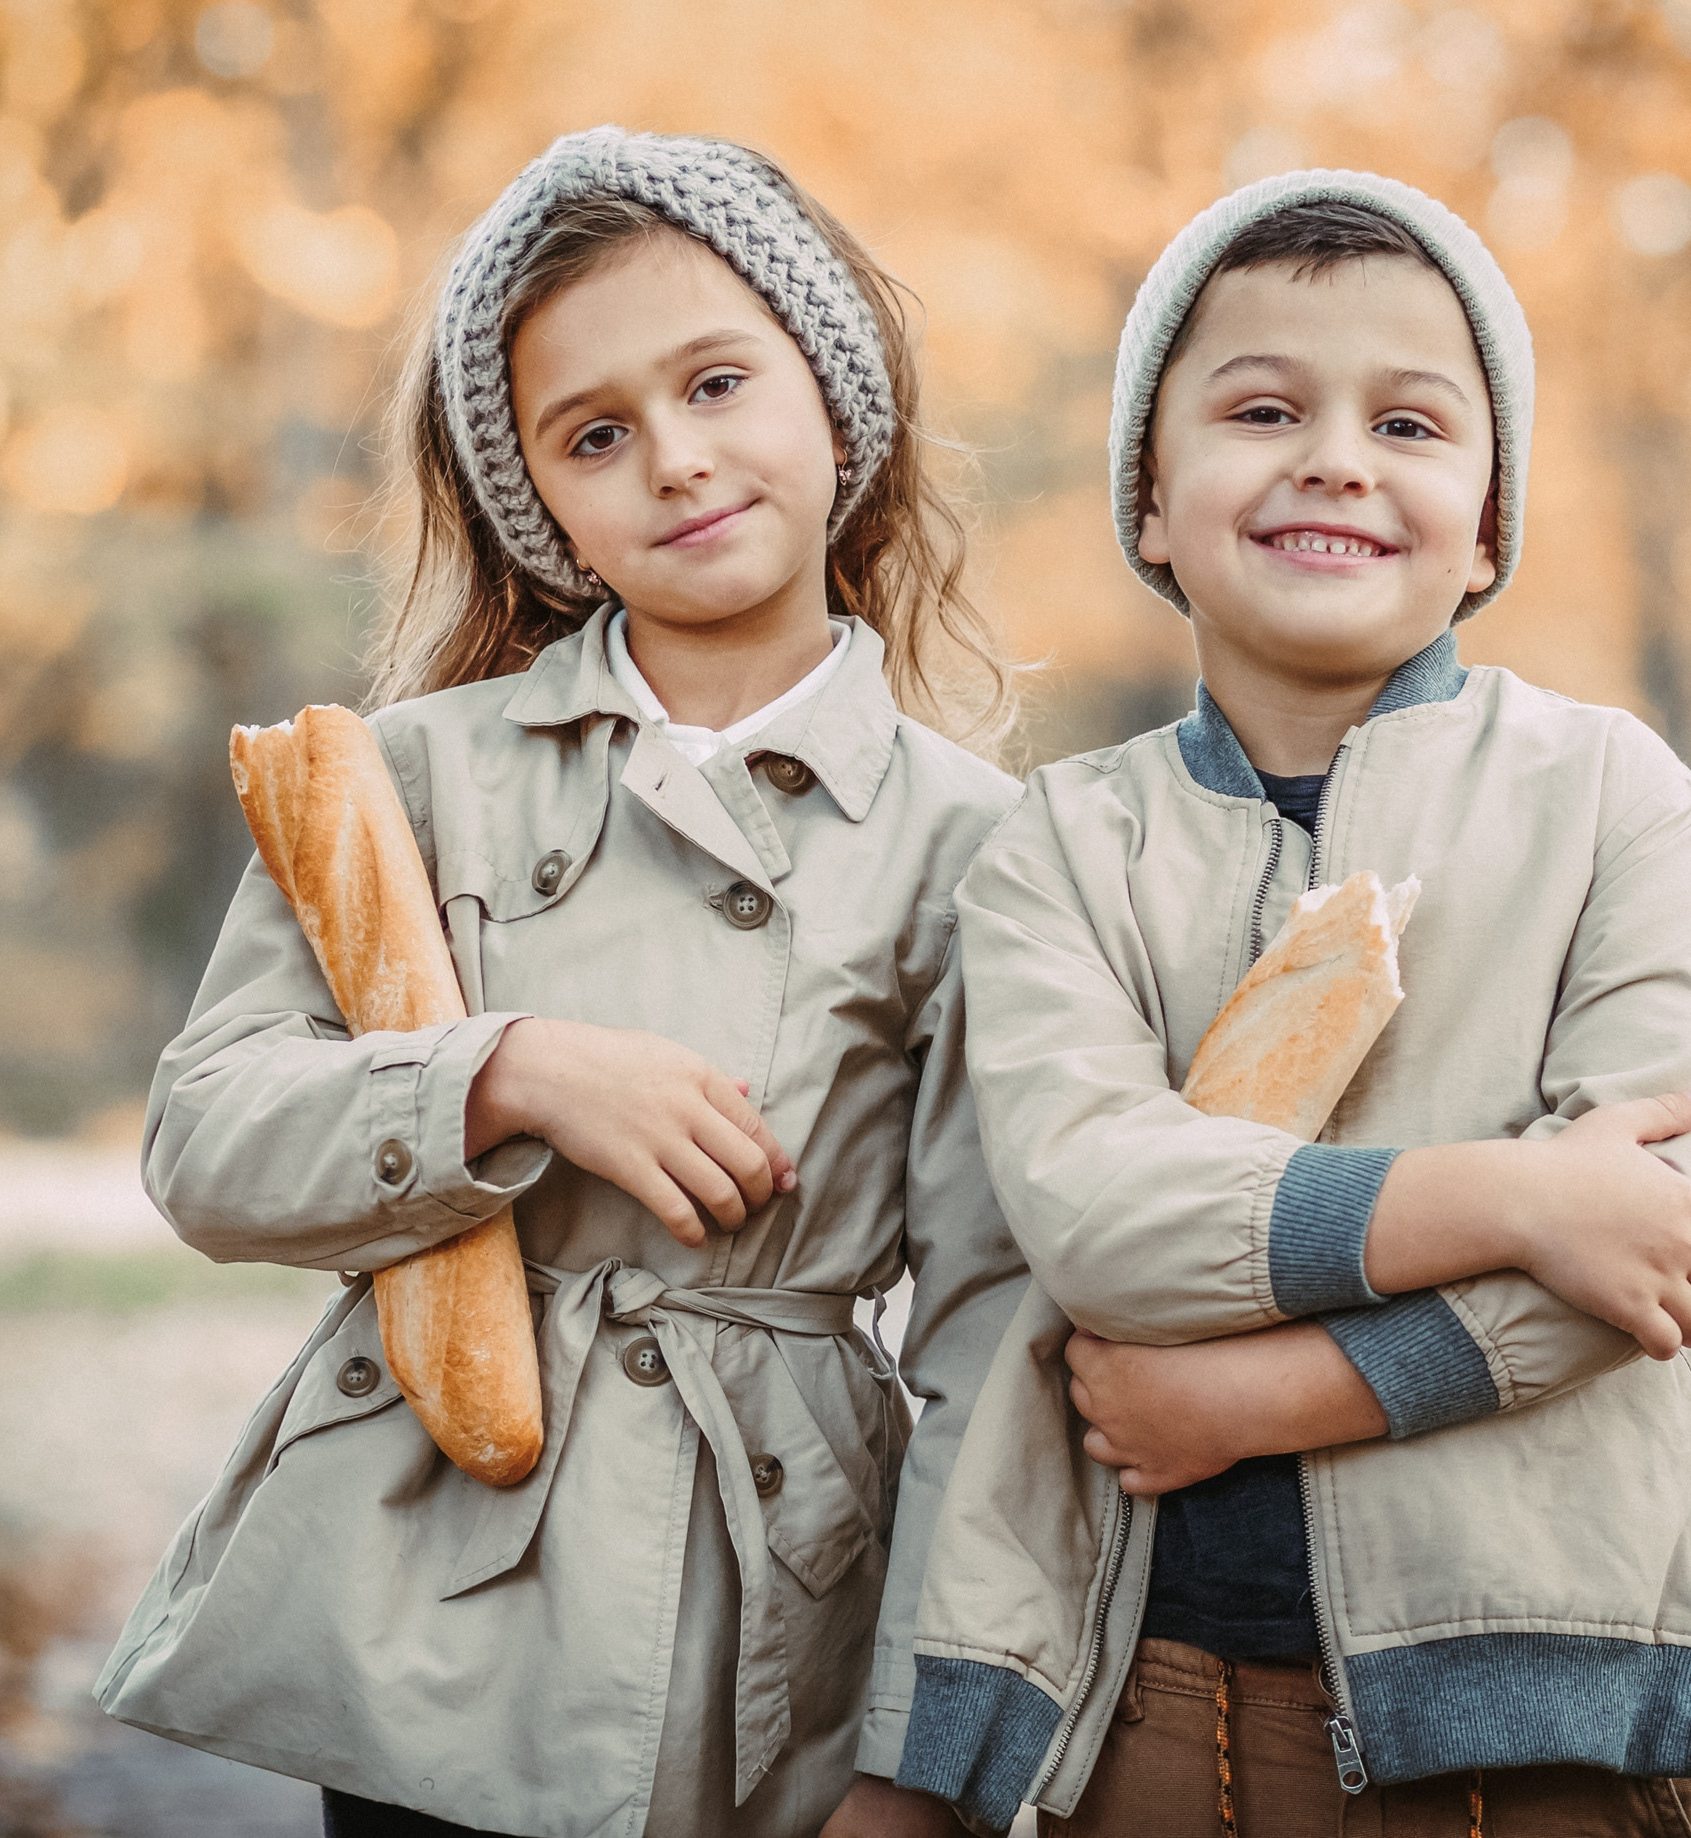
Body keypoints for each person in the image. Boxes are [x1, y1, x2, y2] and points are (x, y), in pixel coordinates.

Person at [93, 127, 1027, 1838]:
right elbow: (205, 1138)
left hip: (777, 1623)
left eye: (719, 381)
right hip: (437, 1591)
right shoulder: (412, 776)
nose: (676, 459)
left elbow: (995, 1327)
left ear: (832, 394)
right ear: (544, 504)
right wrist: (503, 1072)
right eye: (595, 434)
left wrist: (922, 1758)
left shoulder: (982, 844)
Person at [892, 173, 1691, 1836]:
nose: (1337, 456)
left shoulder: (1613, 800)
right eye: (1265, 408)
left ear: (1494, 520)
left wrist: (1247, 1398)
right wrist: (1513, 1193)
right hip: (1154, 1709)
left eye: (1411, 422)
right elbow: (1098, 1215)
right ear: (1151, 503)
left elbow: (1649, 1263)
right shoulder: (1063, 848)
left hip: (1545, 1722)